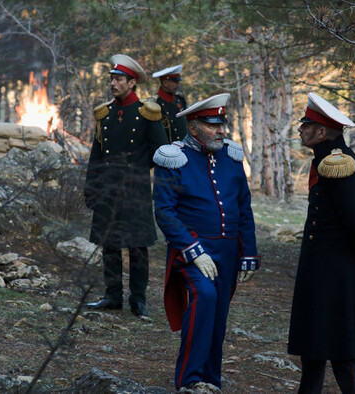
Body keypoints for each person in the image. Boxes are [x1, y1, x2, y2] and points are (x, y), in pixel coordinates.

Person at [153, 93, 260, 392]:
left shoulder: (231, 156)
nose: (221, 130)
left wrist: (248, 252)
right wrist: (192, 251)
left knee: (219, 314)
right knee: (205, 298)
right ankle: (189, 380)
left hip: (227, 251)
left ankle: (211, 381)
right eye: (212, 124)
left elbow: (243, 207)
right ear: (193, 126)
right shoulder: (173, 158)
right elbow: (164, 211)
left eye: (221, 123)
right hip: (193, 250)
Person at [288, 92, 355, 393]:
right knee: (313, 351)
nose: (300, 130)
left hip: (340, 272)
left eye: (306, 126)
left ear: (321, 132)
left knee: (345, 354)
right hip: (322, 270)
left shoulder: (339, 166)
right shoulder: (325, 161)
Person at [84, 54, 168, 317]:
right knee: (109, 244)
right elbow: (96, 156)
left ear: (132, 83)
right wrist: (92, 188)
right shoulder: (104, 114)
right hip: (108, 190)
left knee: (137, 246)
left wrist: (138, 171)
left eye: (119, 80)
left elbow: (161, 152)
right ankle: (112, 296)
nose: (113, 84)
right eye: (112, 79)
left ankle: (138, 299)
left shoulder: (148, 113)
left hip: (135, 190)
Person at [152, 64, 188, 142]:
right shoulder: (155, 103)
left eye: (178, 82)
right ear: (165, 83)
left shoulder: (180, 100)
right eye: (175, 82)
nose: (178, 85)